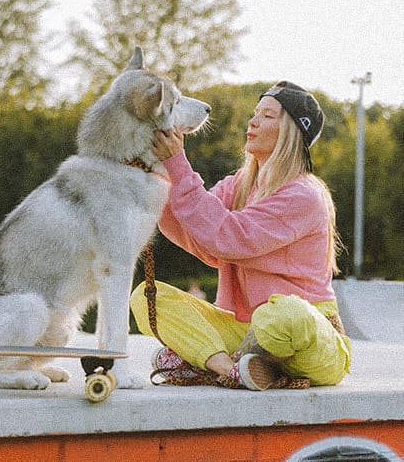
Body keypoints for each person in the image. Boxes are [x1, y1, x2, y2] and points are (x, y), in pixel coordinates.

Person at [131, 81, 351, 391]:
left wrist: (178, 164)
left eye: (268, 116)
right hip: (244, 330)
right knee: (147, 297)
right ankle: (230, 367)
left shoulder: (304, 195)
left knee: (284, 312)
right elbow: (202, 236)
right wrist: (158, 172)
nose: (253, 121)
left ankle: (203, 359)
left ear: (291, 132)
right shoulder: (241, 184)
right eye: (255, 113)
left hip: (307, 337)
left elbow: (228, 237)